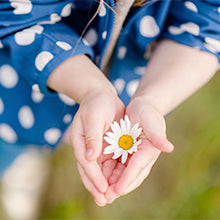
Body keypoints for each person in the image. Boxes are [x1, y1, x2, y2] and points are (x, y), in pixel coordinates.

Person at [0, 0, 219, 209]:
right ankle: (19, 162)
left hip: (123, 92)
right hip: (18, 95)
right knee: (10, 146)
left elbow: (207, 26)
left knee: (84, 135)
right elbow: (19, 15)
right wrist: (91, 89)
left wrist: (150, 101)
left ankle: (30, 159)